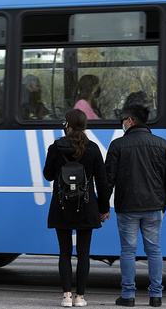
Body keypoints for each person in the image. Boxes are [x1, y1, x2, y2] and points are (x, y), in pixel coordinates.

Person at [105, 104, 166, 307]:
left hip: (127, 207)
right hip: (154, 206)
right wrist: (165, 204)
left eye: (122, 119)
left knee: (128, 251)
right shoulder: (162, 144)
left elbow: (108, 180)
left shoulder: (118, 145)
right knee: (154, 250)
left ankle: (128, 296)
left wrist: (103, 206)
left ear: (129, 120)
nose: (122, 123)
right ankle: (156, 296)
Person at [43, 109, 110, 307]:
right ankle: (80, 297)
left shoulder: (55, 147)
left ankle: (66, 297)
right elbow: (102, 183)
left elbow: (48, 175)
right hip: (87, 206)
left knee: (64, 252)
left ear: (68, 125)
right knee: (83, 253)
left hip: (61, 205)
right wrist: (103, 208)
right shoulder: (93, 149)